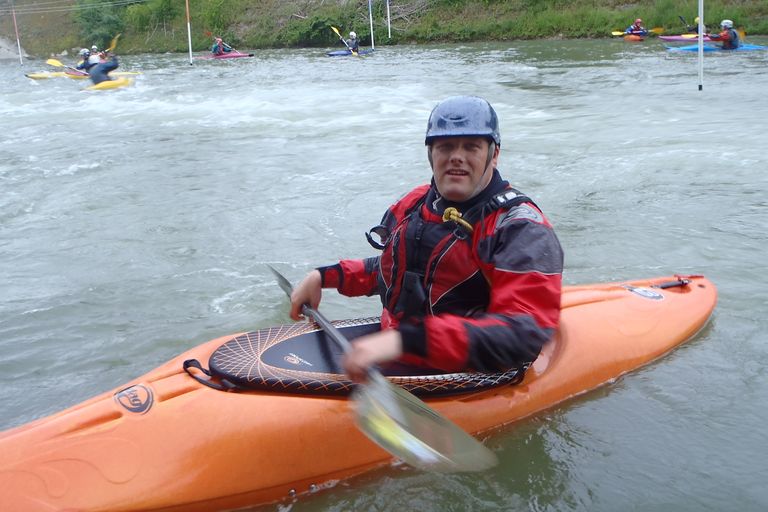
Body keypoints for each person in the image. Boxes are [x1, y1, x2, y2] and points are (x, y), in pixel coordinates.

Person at [289, 96, 564, 383]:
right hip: (399, 344)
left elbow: (522, 334)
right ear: (431, 154)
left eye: (471, 147)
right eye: (445, 146)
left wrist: (407, 341)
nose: (456, 156)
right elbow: (394, 273)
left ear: (494, 155)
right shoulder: (415, 203)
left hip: (469, 368)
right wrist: (325, 277)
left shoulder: (521, 228)